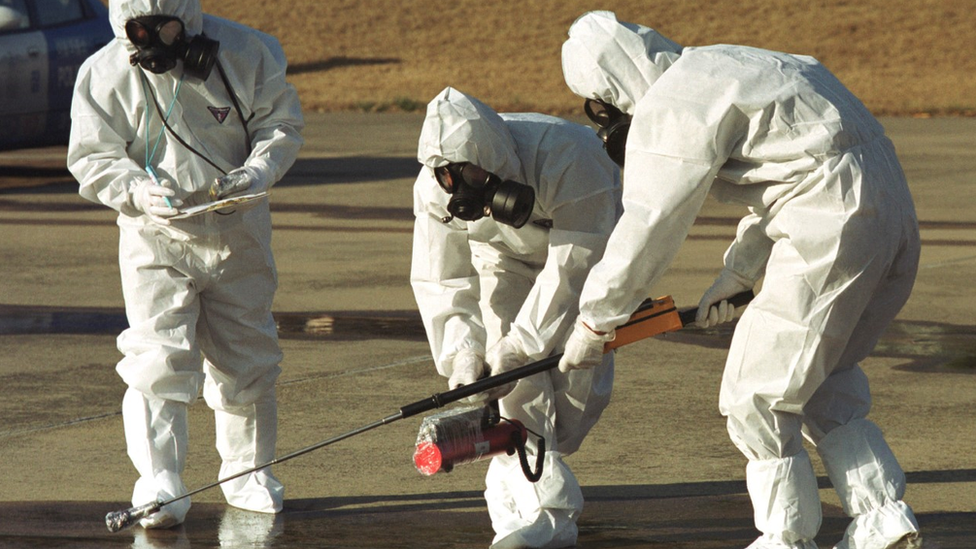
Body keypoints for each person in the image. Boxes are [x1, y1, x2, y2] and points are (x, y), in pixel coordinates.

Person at [558, 11, 921, 549]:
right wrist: (739, 272)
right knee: (824, 377)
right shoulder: (730, 63)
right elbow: (796, 168)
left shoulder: (673, 100)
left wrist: (595, 320)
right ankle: (884, 520)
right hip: (890, 215)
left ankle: (786, 535)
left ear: (609, 90)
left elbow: (650, 223)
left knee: (755, 395)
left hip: (831, 225)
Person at [67, 0, 303, 529]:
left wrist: (257, 172)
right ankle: (159, 483)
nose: (154, 41)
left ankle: (248, 473)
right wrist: (134, 190)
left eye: (165, 28)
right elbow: (91, 155)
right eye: (139, 31)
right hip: (156, 239)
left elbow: (280, 124)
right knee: (158, 359)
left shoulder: (246, 53)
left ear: (189, 20)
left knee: (247, 356)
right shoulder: (104, 74)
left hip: (236, 232)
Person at [412, 86, 622, 549]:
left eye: (472, 172)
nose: (458, 184)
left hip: (586, 256)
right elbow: (440, 278)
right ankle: (543, 520)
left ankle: (531, 496)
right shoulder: (432, 188)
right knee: (516, 396)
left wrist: (520, 348)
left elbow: (575, 263)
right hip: (501, 259)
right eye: (452, 176)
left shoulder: (570, 155)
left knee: (575, 400)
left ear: (498, 160)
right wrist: (464, 353)